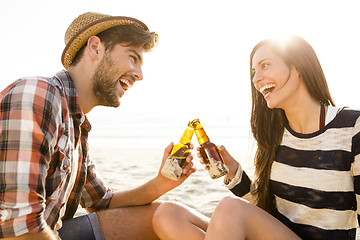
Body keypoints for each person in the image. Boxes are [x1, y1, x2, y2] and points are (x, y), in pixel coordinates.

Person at [0, 12, 198, 240]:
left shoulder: (76, 124)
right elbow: (19, 228)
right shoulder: (38, 95)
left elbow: (101, 201)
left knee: (167, 213)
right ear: (95, 48)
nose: (140, 75)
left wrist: (162, 182)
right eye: (133, 57)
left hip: (50, 233)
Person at [152, 35, 360, 240]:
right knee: (168, 215)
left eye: (265, 65)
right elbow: (265, 211)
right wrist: (233, 172)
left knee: (230, 209)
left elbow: (241, 215)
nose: (255, 79)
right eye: (253, 71)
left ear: (298, 67)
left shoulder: (352, 127)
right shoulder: (276, 133)